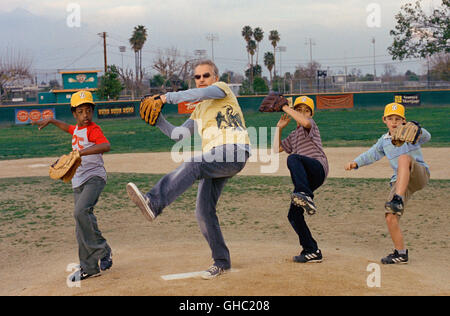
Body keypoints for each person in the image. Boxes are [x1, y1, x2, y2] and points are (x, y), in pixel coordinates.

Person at [126, 60, 251, 279]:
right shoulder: (200, 110)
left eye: (206, 75)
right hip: (214, 158)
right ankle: (221, 260)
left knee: (194, 163)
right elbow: (178, 135)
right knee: (203, 212)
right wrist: (158, 120)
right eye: (197, 77)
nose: (202, 79)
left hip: (235, 150)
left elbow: (193, 95)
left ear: (215, 78)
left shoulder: (222, 90)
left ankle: (154, 202)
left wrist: (166, 97)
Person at [36, 90, 112, 281]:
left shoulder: (93, 129)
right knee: (82, 223)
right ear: (74, 114)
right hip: (77, 180)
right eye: (80, 112)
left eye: (88, 110)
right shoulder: (77, 129)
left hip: (94, 178)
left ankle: (102, 250)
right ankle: (92, 264)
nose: (85, 115)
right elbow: (68, 128)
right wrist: (52, 121)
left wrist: (81, 153)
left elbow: (105, 146)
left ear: (92, 112)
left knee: (80, 213)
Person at [345, 102, 431, 264]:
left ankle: (397, 199)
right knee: (390, 216)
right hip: (400, 181)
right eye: (390, 118)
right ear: (384, 120)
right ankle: (400, 253)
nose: (394, 122)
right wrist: (355, 163)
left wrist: (418, 130)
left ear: (403, 121)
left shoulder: (410, 134)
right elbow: (371, 154)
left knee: (404, 158)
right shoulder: (384, 141)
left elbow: (427, 136)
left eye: (397, 119)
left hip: (419, 174)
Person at [273, 96, 329, 263]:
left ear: (312, 114)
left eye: (306, 111)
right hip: (305, 178)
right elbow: (277, 149)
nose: (303, 113)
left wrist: (285, 107)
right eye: (299, 110)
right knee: (293, 215)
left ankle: (304, 193)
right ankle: (311, 250)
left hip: (317, 168)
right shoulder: (293, 134)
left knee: (293, 158)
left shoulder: (311, 126)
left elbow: (305, 123)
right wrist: (279, 128)